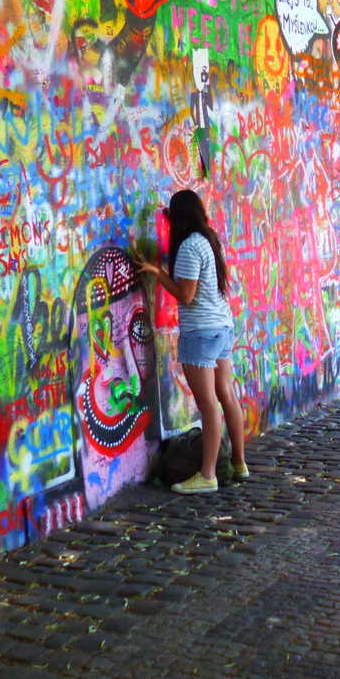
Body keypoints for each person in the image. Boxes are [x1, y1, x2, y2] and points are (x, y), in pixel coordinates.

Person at [135, 190, 247, 494]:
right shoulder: (208, 240)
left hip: (201, 332)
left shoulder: (188, 247)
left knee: (208, 404)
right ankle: (238, 463)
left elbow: (186, 295)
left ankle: (208, 474)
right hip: (222, 326)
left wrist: (157, 273)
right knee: (226, 396)